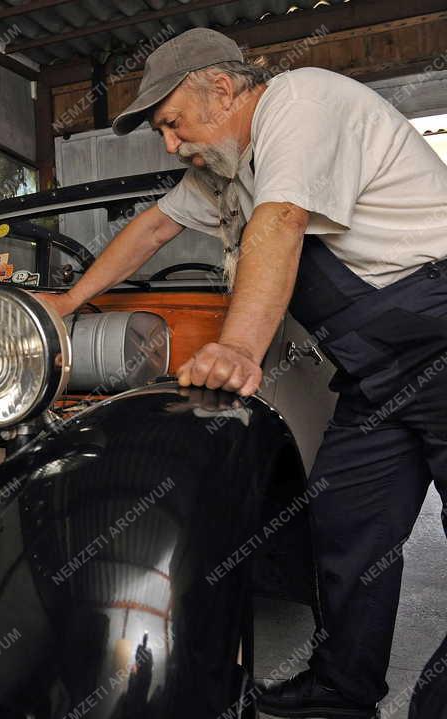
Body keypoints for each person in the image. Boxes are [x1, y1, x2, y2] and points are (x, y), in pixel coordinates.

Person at [37, 27, 447, 719]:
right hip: (375, 367)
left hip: (437, 331)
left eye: (172, 124)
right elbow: (154, 228)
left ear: (222, 89)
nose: (171, 145)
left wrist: (238, 347)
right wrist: (69, 301)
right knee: (347, 520)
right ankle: (344, 687)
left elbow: (281, 223)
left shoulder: (300, 102)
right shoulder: (229, 172)